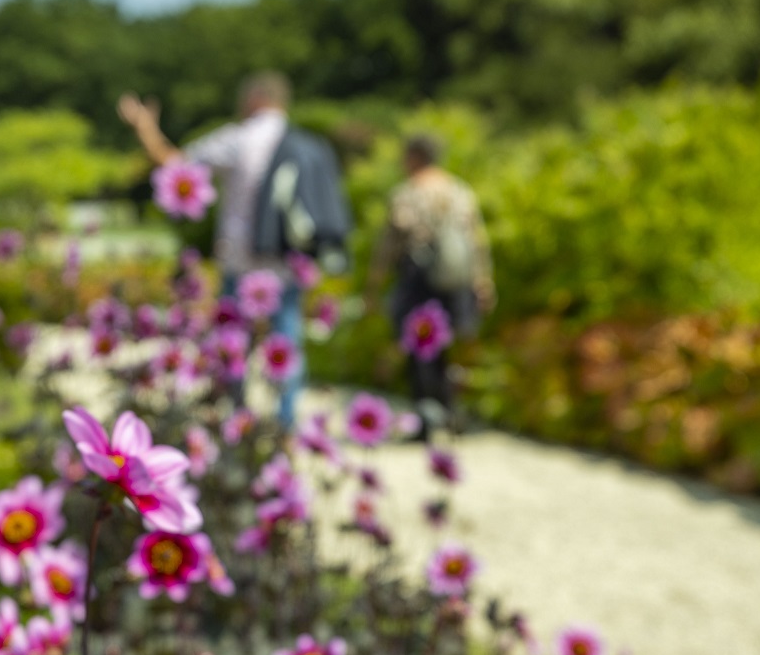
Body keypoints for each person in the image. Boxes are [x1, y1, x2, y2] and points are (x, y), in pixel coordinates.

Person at [119, 72, 349, 428]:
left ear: (256, 98)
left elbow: (173, 164)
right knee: (286, 342)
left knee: (231, 343)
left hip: (241, 261)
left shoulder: (240, 139)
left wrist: (144, 126)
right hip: (288, 262)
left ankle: (238, 419)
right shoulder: (309, 145)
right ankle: (285, 423)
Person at [365, 133, 494, 442]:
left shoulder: (408, 193)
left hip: (419, 280)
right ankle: (449, 413)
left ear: (414, 157)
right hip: (456, 279)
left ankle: (424, 421)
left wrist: (375, 283)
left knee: (419, 348)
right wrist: (483, 280)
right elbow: (476, 239)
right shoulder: (460, 190)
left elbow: (390, 243)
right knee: (447, 347)